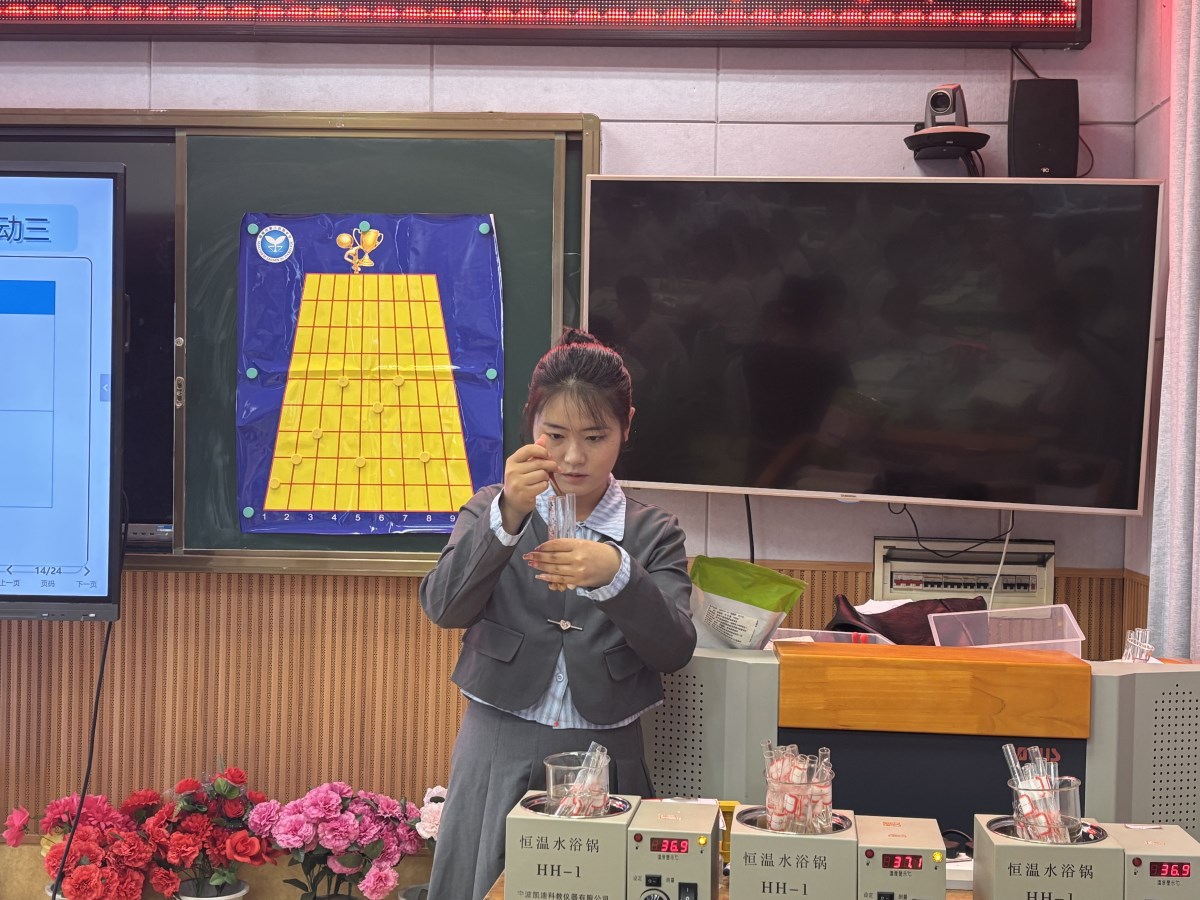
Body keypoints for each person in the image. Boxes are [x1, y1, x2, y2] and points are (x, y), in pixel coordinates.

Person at [419, 328, 697, 900]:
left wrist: (618, 574)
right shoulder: (490, 506)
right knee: (481, 883)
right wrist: (506, 518)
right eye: (556, 435)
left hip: (607, 751)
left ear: (626, 426)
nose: (573, 457)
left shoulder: (653, 531)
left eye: (595, 437)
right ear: (532, 425)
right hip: (497, 741)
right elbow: (444, 608)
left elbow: (674, 649)